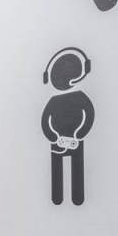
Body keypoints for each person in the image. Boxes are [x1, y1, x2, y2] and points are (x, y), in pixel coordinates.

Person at [42, 48, 96, 206]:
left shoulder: (80, 96)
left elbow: (89, 115)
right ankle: (57, 197)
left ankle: (77, 197)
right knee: (56, 169)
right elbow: (45, 122)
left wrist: (79, 134)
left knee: (77, 167)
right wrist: (53, 137)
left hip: (74, 140)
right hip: (57, 141)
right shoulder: (53, 101)